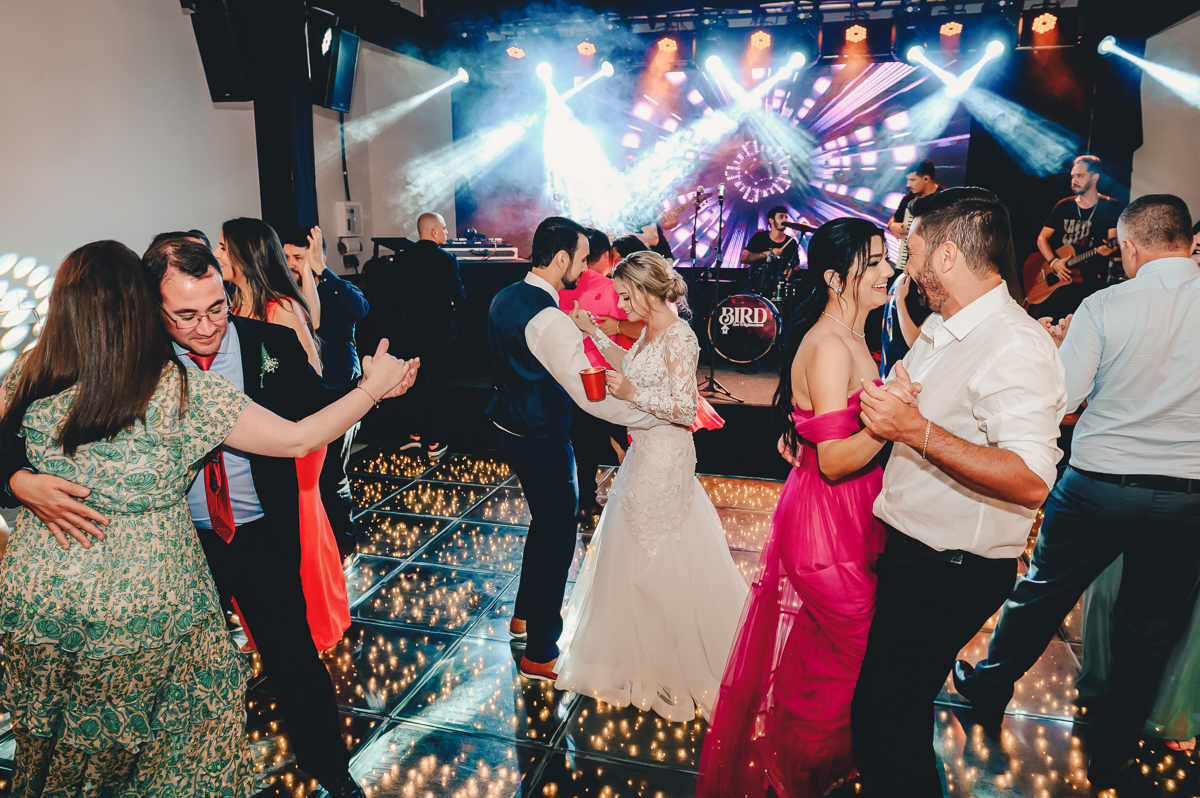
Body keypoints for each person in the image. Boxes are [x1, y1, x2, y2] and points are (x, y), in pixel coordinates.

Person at [0, 240, 411, 798]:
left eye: (217, 308)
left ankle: (329, 769)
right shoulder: (151, 375)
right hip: (175, 558)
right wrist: (17, 481)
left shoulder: (267, 344)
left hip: (247, 532)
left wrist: (372, 392)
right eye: (186, 315)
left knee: (288, 657)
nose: (206, 325)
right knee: (173, 702)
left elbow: (311, 414)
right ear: (150, 306)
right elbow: (8, 443)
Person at [954, 194, 1200, 788]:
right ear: (1188, 242)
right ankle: (1112, 751)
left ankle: (990, 687)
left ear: (1129, 246)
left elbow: (1062, 397)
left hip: (1098, 486)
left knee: (1042, 592)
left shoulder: (1107, 304)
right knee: (1150, 628)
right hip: (1187, 497)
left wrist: (1060, 346)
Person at [849, 187, 1068, 796]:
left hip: (950, 570)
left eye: (913, 252)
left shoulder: (1013, 344)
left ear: (946, 256)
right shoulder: (945, 325)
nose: (908, 267)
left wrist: (914, 430)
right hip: (917, 557)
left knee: (883, 720)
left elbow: (1031, 479)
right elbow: (919, 407)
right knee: (893, 714)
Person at [698, 218, 905, 797]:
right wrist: (895, 422)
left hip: (848, 511)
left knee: (825, 652)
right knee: (858, 647)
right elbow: (835, 461)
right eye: (874, 262)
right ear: (837, 278)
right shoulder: (831, 346)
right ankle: (802, 772)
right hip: (825, 520)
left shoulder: (853, 333)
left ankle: (814, 764)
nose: (888, 270)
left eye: (887, 259)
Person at [556, 252, 748, 720]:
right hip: (643, 452)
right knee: (638, 547)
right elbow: (634, 364)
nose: (621, 305)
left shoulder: (681, 337)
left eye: (626, 296)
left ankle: (671, 661)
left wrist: (631, 394)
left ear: (646, 291)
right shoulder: (650, 331)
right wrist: (593, 332)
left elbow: (685, 408)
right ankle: (644, 653)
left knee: (658, 550)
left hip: (665, 456)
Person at [485, 216, 665, 681]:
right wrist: (649, 415)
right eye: (582, 260)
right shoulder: (548, 318)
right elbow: (590, 394)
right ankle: (540, 651)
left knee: (544, 526)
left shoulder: (506, 296)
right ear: (562, 258)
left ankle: (523, 617)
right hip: (540, 438)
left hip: (508, 427)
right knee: (558, 538)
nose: (586, 269)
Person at [219, 218, 350, 653]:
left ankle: (312, 625)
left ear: (245, 255)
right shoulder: (232, 306)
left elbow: (310, 381)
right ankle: (270, 627)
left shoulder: (282, 309)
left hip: (294, 433)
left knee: (299, 525)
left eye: (223, 247)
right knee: (268, 533)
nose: (217, 255)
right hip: (254, 436)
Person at [283, 225, 369, 558]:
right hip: (302, 396)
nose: (291, 263)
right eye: (287, 257)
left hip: (341, 391)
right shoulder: (284, 296)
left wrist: (321, 271)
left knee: (332, 473)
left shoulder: (337, 288)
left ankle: (345, 545)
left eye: (298, 256)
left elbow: (360, 309)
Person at [558, 229, 642, 518]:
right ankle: (635, 498)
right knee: (625, 442)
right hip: (606, 379)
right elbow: (643, 329)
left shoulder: (559, 287)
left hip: (568, 377)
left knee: (583, 443)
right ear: (607, 256)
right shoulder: (612, 289)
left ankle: (584, 501)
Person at [372, 211, 465, 457]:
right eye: (444, 229)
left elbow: (392, 298)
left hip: (410, 333)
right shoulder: (447, 259)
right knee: (439, 387)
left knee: (412, 384)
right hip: (440, 335)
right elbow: (460, 297)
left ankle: (413, 436)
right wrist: (452, 305)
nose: (446, 233)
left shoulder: (402, 258)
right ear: (434, 232)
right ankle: (434, 442)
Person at [1026, 155, 1123, 319]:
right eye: (1073, 176)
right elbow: (1042, 239)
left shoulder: (1110, 206)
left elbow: (1113, 241)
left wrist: (1110, 249)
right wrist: (1053, 262)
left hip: (1090, 282)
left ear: (1095, 177)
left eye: (1080, 176)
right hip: (1058, 281)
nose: (1074, 180)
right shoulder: (1064, 205)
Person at [880, 160, 941, 376]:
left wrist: (913, 232)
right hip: (908, 267)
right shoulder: (908, 200)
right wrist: (895, 226)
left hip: (932, 272)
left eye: (912, 179)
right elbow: (894, 221)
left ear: (926, 178)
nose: (908, 185)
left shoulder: (944, 199)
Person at [742, 206, 798, 295]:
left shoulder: (791, 242)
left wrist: (790, 270)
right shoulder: (759, 237)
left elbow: (796, 265)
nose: (785, 220)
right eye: (781, 217)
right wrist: (768, 254)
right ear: (771, 220)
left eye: (786, 217)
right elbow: (744, 258)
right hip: (756, 282)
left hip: (780, 284)